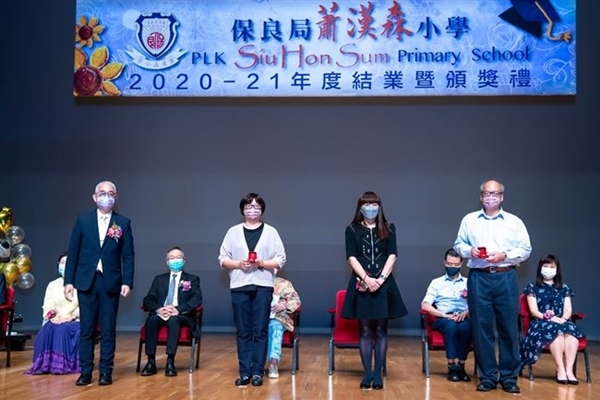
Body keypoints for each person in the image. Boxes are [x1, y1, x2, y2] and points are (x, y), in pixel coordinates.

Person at [454, 179, 531, 393]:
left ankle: (509, 377)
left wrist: (504, 255)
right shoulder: (469, 220)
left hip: (506, 276)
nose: (491, 197)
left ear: (502, 197)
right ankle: (487, 376)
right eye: (487, 193)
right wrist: (469, 251)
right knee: (481, 329)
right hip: (479, 278)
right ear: (481, 197)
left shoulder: (514, 222)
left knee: (508, 328)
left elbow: (525, 249)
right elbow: (458, 244)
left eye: (495, 194)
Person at [64, 180, 135, 386]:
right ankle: (86, 372)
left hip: (110, 282)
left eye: (111, 193)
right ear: (95, 197)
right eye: (102, 193)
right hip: (86, 281)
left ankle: (105, 372)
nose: (107, 197)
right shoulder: (83, 220)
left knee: (108, 330)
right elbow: (73, 251)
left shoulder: (123, 222)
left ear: (116, 197)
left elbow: (128, 255)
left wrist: (127, 281)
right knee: (86, 330)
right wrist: (69, 281)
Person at [341, 191, 407, 390]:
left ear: (379, 206)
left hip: (384, 284)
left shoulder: (389, 227)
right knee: (364, 330)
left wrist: (381, 279)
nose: (370, 207)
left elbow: (392, 255)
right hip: (361, 283)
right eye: (366, 204)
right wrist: (367, 279)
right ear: (360, 207)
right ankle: (367, 373)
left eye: (374, 204)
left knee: (381, 330)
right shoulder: (351, 229)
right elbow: (351, 257)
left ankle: (377, 373)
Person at [219, 192, 286, 387]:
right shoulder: (233, 232)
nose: (252, 210)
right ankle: (244, 372)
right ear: (242, 210)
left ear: (262, 210)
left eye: (256, 206)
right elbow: (223, 258)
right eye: (248, 206)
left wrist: (261, 263)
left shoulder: (271, 232)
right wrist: (239, 264)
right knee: (243, 331)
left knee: (260, 330)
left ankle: (257, 372)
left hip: (263, 286)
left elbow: (281, 258)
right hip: (239, 285)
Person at [520, 254, 584, 385]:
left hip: (562, 321)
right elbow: (534, 311)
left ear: (557, 269)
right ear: (540, 268)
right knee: (557, 335)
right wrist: (549, 318)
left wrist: (563, 319)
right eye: (546, 266)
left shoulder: (564, 288)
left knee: (571, 336)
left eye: (552, 267)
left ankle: (569, 371)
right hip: (541, 322)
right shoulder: (532, 287)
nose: (548, 269)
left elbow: (568, 310)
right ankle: (560, 369)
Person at [139, 246, 203, 377]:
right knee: (151, 320)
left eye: (178, 257)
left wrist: (178, 310)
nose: (175, 260)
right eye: (172, 258)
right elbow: (148, 299)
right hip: (161, 313)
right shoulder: (159, 279)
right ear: (167, 262)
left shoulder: (192, 279)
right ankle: (151, 361)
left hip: (181, 315)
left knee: (173, 321)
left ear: (184, 260)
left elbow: (197, 299)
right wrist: (159, 309)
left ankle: (170, 361)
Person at [25, 253, 80, 375]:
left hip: (75, 320)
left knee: (62, 329)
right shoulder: (52, 285)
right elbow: (48, 304)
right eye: (62, 263)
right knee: (47, 329)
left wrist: (70, 317)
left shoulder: (81, 284)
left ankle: (61, 365)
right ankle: (42, 365)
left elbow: (84, 306)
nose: (64, 266)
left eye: (68, 263)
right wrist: (54, 316)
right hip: (57, 318)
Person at [421, 248, 471, 382]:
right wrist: (444, 315)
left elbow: (477, 304)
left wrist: (466, 313)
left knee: (466, 328)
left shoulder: (468, 282)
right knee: (451, 326)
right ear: (444, 262)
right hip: (443, 318)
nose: (452, 267)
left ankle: (461, 366)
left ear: (461, 264)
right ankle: (451, 366)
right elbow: (425, 305)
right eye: (449, 264)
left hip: (464, 316)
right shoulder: (437, 283)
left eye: (455, 264)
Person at [266, 275, 301, 379]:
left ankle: (273, 363)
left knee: (275, 327)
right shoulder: (254, 282)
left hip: (278, 318)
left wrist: (284, 305)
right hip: (257, 319)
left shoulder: (284, 284)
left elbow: (296, 301)